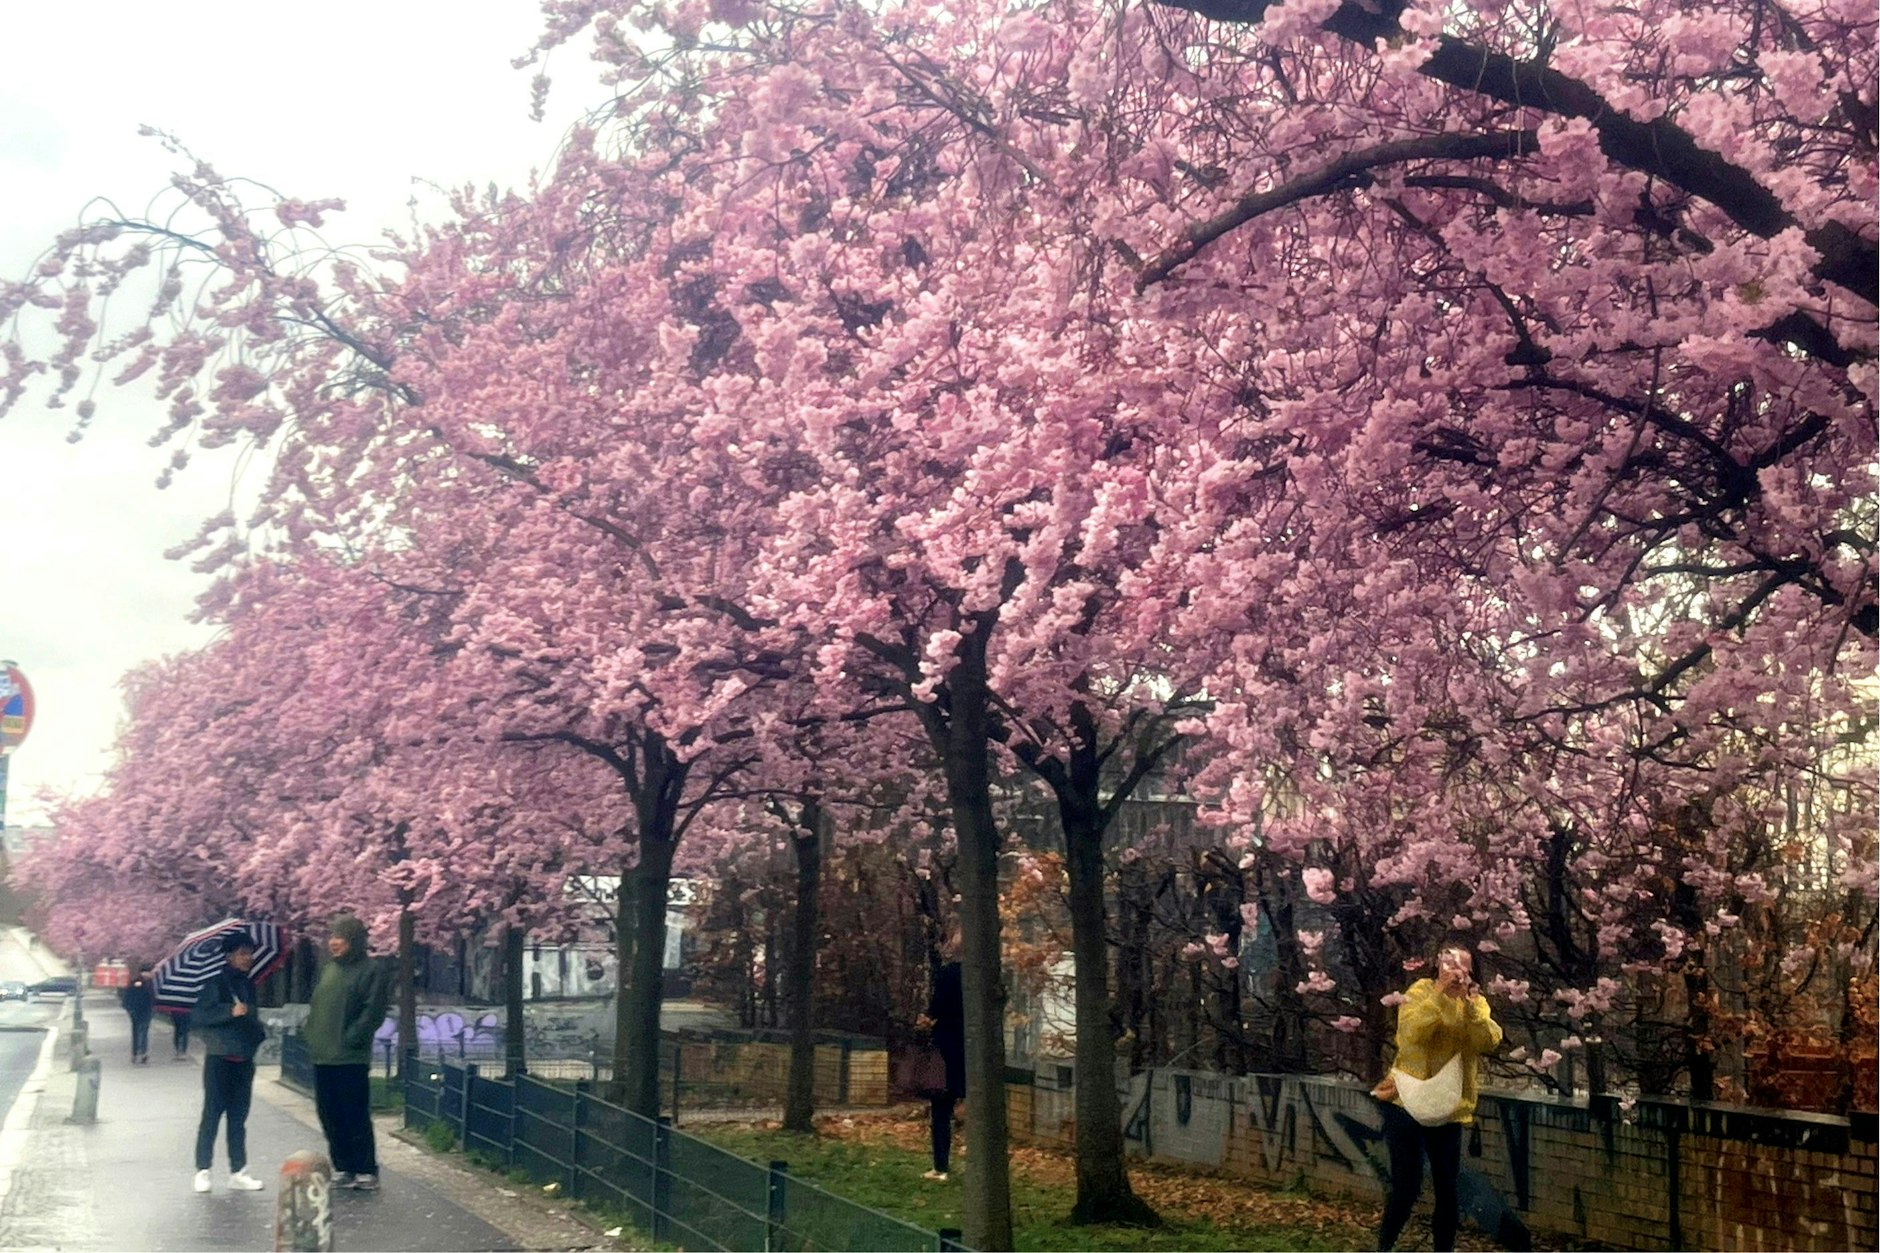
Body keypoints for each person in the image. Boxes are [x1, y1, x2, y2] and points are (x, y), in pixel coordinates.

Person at [1372, 943, 1503, 1252]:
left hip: (1447, 1108)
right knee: (1406, 1187)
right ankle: (1384, 1246)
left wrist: (1470, 1008)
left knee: (1448, 1190)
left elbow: (1488, 1041)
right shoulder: (1419, 992)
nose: (1458, 974)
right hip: (1405, 1103)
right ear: (1438, 967)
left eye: (1464, 968)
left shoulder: (1475, 1003)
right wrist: (1439, 995)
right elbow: (1412, 1034)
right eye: (1451, 966)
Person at [305, 913, 390, 1192]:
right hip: (323, 1054)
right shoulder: (329, 970)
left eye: (340, 938)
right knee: (329, 1113)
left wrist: (354, 1037)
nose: (334, 943)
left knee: (353, 1113)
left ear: (354, 941)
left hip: (350, 1056)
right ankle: (343, 1166)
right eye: (332, 937)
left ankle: (365, 1168)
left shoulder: (370, 970)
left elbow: (373, 1010)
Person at [190, 932, 269, 1193]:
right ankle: (203, 1170)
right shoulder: (216, 984)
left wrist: (255, 1030)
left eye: (250, 953)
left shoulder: (248, 985)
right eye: (243, 953)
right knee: (212, 1115)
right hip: (220, 1058)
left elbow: (253, 1015)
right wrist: (229, 1011)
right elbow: (200, 1016)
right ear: (230, 956)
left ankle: (239, 1170)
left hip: (243, 1059)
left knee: (238, 1117)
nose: (248, 958)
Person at [918, 933, 966, 1182]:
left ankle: (941, 1166)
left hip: (947, 1049)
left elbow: (935, 1009)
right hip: (974, 1050)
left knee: (941, 1110)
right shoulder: (984, 975)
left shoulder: (948, 975)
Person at [120, 966, 155, 1065]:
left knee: (144, 1031)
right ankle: (136, 1053)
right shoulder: (137, 983)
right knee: (137, 1031)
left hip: (147, 1011)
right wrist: (129, 1009)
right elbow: (128, 996)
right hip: (136, 1010)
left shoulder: (151, 983)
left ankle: (143, 1053)